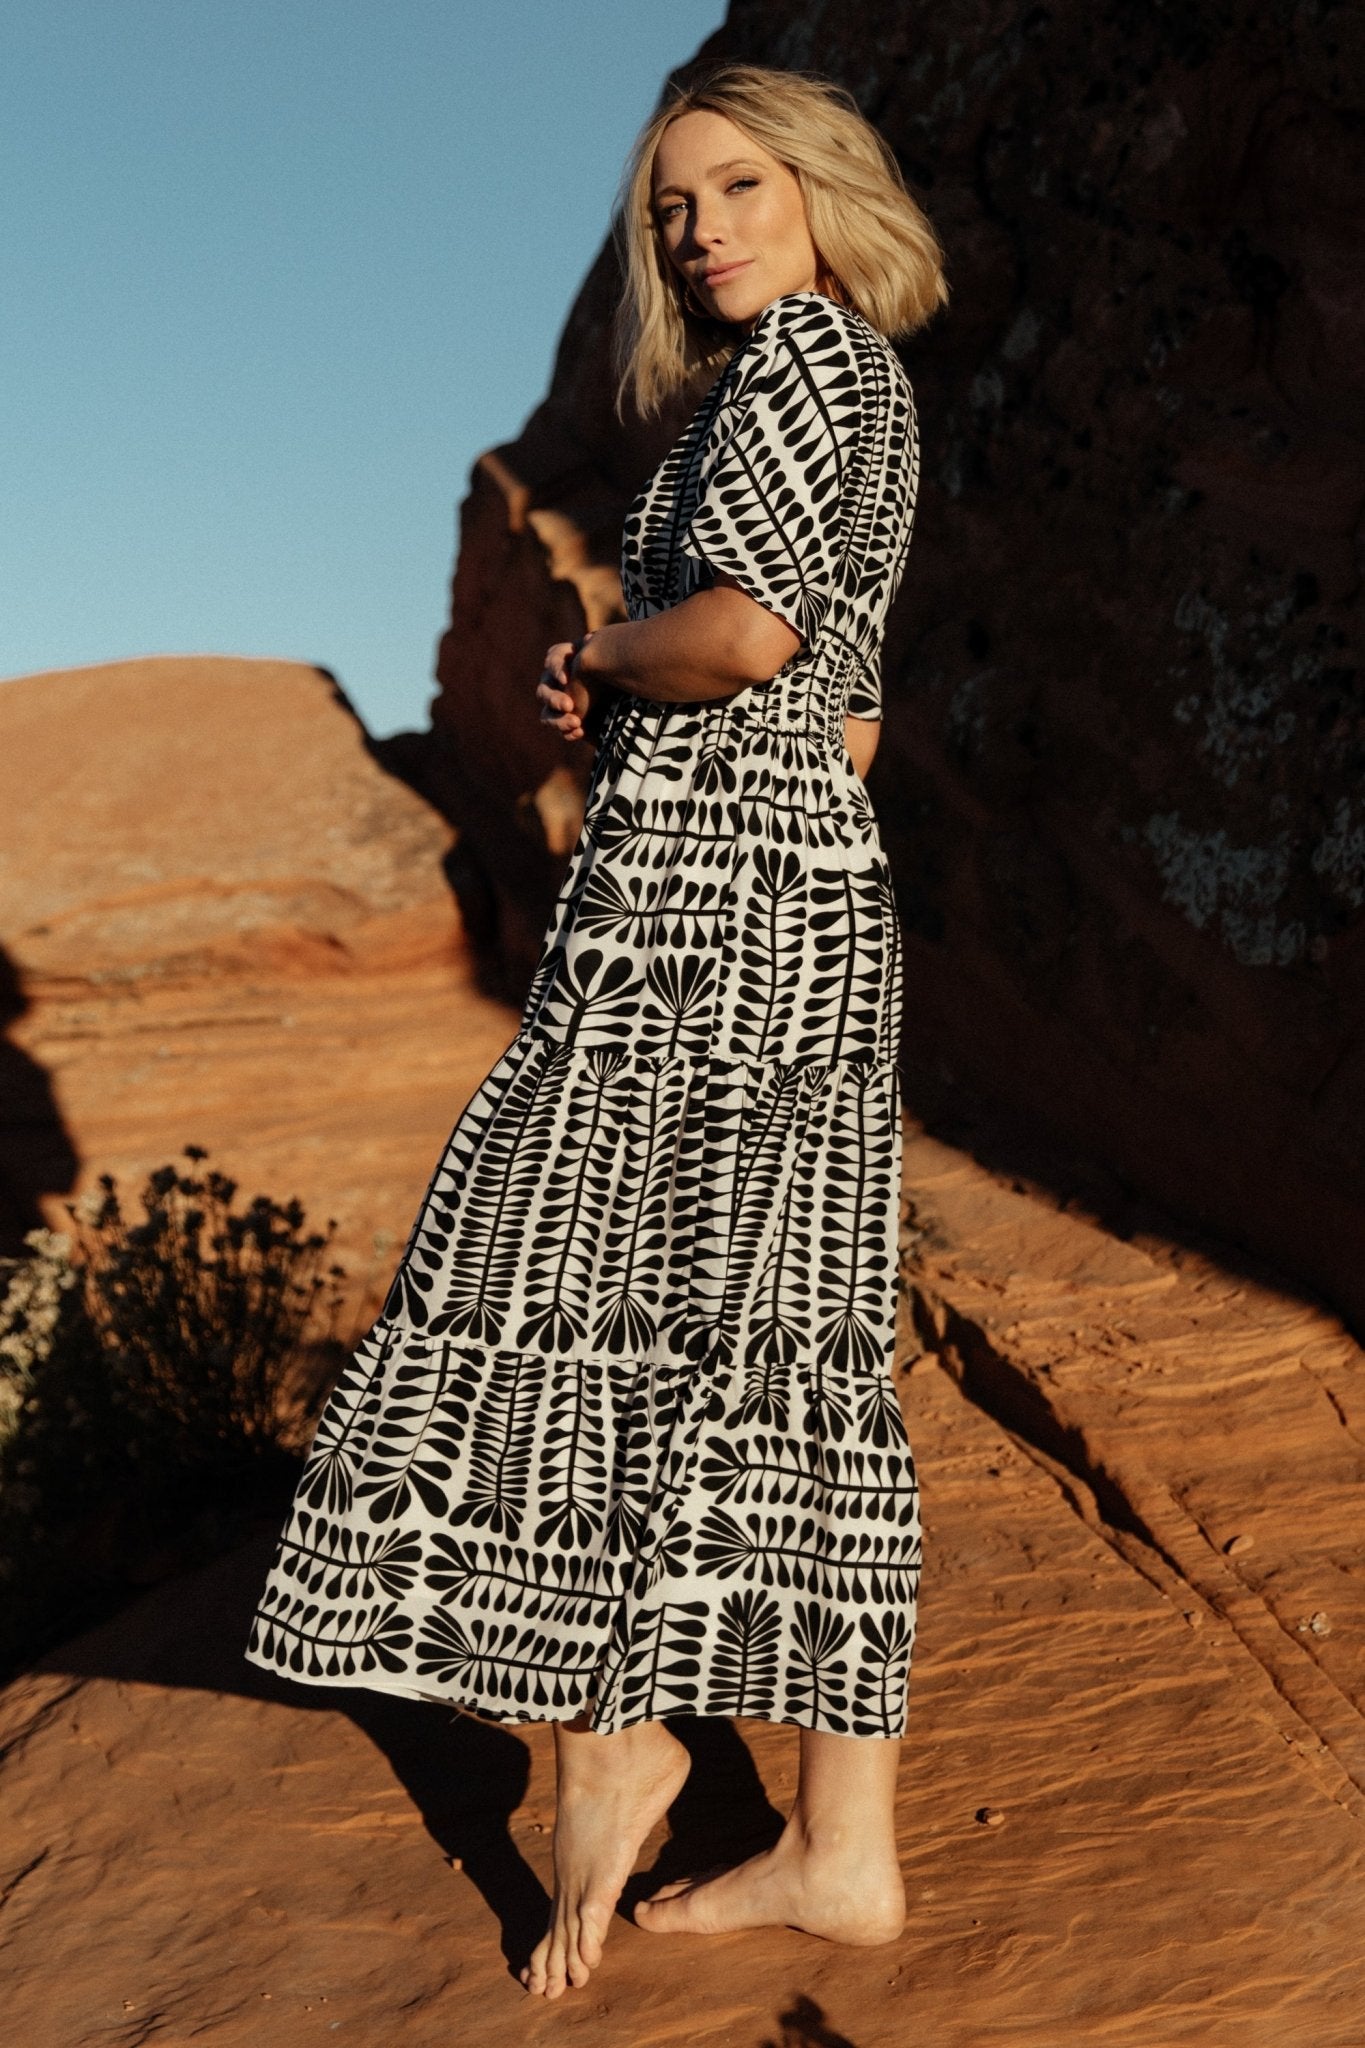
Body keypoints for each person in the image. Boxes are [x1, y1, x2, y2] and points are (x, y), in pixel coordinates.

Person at [244, 59, 947, 2003]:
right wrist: (649, 694)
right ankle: (836, 1849)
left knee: (568, 1276)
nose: (698, 227)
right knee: (772, 1338)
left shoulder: (805, 370)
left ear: (816, 192)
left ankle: (620, 1737)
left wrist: (598, 655)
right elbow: (848, 715)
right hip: (785, 899)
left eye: (732, 186)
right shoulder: (848, 393)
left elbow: (748, 637)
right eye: (669, 208)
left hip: (708, 925)